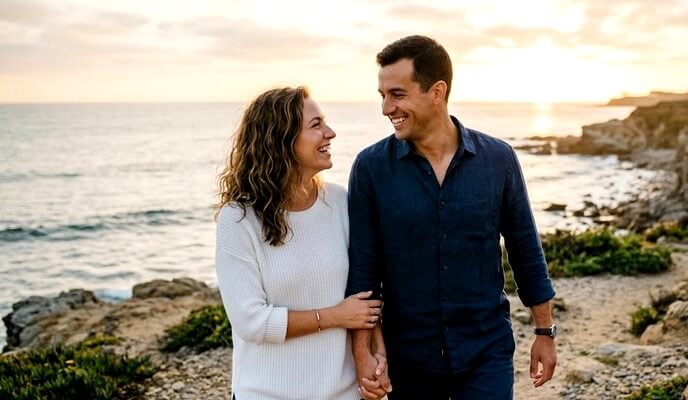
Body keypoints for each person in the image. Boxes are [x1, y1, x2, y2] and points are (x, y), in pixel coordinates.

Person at [346, 35, 558, 399]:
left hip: (485, 354)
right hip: (407, 361)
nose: (386, 108)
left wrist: (544, 332)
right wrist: (362, 352)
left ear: (437, 92)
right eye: (382, 95)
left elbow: (526, 251)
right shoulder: (370, 169)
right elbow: (364, 271)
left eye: (397, 94)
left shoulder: (499, 160)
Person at [214, 86, 386, 400]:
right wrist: (334, 316)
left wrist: (377, 353)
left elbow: (365, 292)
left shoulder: (339, 201)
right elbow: (251, 321)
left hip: (344, 393)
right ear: (281, 140)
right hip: (265, 394)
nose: (330, 133)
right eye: (316, 125)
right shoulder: (238, 219)